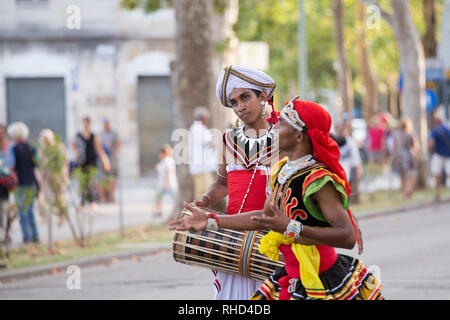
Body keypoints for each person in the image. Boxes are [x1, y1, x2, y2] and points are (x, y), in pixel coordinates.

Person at [170, 96, 383, 300]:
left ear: (299, 136)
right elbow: (263, 216)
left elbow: (347, 237)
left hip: (322, 278)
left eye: (280, 125)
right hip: (291, 277)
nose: (273, 131)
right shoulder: (283, 171)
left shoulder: (318, 180)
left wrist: (293, 228)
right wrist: (211, 221)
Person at [183, 65, 280, 300]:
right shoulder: (228, 140)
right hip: (233, 241)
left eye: (245, 97)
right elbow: (222, 183)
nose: (240, 107)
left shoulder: (283, 139)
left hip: (270, 242)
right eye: (234, 102)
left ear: (263, 97)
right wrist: (205, 199)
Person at [6, 122, 40, 244]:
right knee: (30, 210)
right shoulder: (32, 147)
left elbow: (11, 166)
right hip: (31, 181)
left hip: (19, 183)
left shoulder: (12, 148)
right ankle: (35, 235)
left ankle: (27, 237)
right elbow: (37, 164)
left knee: (23, 211)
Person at [71, 116, 110, 205]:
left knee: (92, 181)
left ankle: (92, 201)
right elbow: (73, 145)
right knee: (83, 181)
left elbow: (99, 149)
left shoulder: (93, 135)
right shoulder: (78, 135)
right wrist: (76, 151)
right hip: (82, 161)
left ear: (89, 124)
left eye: (86, 123)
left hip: (91, 162)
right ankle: (83, 200)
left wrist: (105, 160)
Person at [37, 129, 69, 226]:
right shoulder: (42, 149)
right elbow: (40, 164)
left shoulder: (58, 147)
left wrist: (65, 176)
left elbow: (64, 162)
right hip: (46, 177)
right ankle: (45, 216)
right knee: (45, 197)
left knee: (59, 196)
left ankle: (62, 215)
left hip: (57, 177)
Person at [188, 107, 217, 200]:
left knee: (203, 192)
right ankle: (198, 212)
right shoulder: (199, 128)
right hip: (201, 167)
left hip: (201, 166)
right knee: (204, 192)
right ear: (204, 118)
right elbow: (209, 143)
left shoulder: (195, 128)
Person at [332, 120, 362, 204]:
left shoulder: (350, 142)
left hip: (347, 172)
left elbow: (356, 159)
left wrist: (357, 170)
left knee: (346, 197)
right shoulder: (332, 141)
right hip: (336, 172)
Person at [392, 118, 419, 198]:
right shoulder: (411, 134)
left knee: (402, 176)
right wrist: (417, 156)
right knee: (411, 174)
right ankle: (408, 189)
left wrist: (393, 156)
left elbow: (395, 147)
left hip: (399, 157)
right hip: (408, 156)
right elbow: (415, 147)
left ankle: (404, 192)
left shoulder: (397, 134)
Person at [97, 117, 120, 203]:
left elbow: (118, 143)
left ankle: (111, 197)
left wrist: (114, 151)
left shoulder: (114, 133)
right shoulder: (100, 134)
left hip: (111, 157)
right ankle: (103, 198)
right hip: (103, 158)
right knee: (101, 177)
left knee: (112, 177)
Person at [429, 115, 450, 202]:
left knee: (437, 176)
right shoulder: (448, 129)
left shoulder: (435, 131)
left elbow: (431, 144)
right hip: (448, 156)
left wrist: (432, 152)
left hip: (438, 155)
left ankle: (437, 195)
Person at [155, 144, 178, 218]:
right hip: (163, 183)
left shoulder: (168, 160)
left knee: (173, 198)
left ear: (164, 153)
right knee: (158, 197)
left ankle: (173, 211)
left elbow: (168, 172)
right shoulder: (164, 161)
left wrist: (166, 183)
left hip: (168, 183)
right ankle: (159, 211)